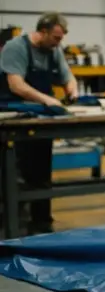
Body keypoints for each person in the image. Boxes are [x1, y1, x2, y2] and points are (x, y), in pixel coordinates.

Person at [0, 13, 78, 234]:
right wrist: (47, 99)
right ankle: (12, 223)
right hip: (13, 118)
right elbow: (16, 85)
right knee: (15, 172)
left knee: (41, 171)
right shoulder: (16, 47)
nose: (58, 43)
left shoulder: (53, 49)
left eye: (60, 38)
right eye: (55, 38)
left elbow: (67, 76)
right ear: (42, 32)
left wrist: (72, 88)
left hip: (42, 118)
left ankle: (42, 221)